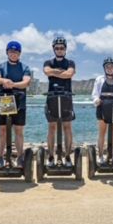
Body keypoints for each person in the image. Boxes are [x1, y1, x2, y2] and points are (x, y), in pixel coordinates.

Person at [0, 41, 31, 168]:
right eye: (11, 51)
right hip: (4, 99)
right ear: (7, 52)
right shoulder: (1, 66)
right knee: (3, 130)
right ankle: (0, 157)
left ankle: (20, 158)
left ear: (19, 53)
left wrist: (13, 84)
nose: (13, 54)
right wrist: (4, 80)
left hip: (19, 100)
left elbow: (26, 82)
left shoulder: (24, 67)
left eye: (15, 52)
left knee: (18, 130)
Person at [43, 36, 76, 167]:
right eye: (57, 48)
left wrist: (54, 73)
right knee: (52, 127)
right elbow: (46, 72)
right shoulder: (48, 62)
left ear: (65, 49)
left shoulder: (70, 62)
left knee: (67, 127)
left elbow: (69, 74)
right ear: (54, 49)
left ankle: (67, 157)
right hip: (51, 98)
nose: (59, 50)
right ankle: (51, 157)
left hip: (66, 97)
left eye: (62, 48)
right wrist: (61, 72)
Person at [91, 57, 113, 165]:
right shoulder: (99, 79)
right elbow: (94, 94)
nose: (109, 68)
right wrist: (97, 100)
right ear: (104, 68)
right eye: (107, 66)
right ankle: (100, 156)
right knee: (102, 132)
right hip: (102, 108)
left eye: (111, 66)